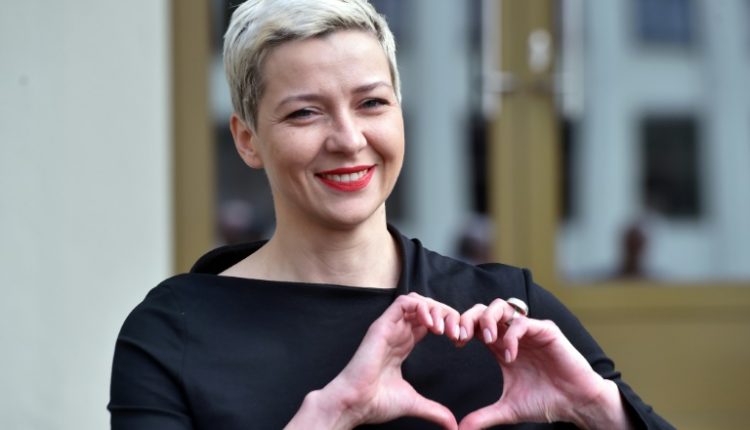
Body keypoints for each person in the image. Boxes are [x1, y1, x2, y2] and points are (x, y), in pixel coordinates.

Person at [108, 1, 674, 428]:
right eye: (305, 113)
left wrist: (599, 409)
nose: (349, 139)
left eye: (371, 103)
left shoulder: (508, 314)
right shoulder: (173, 332)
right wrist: (330, 414)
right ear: (247, 139)